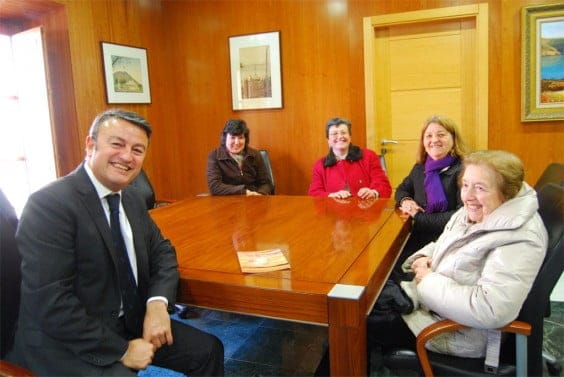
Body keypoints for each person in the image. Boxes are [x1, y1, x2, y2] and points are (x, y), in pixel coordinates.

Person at [7, 109, 224, 376]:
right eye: (117, 144)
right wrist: (120, 350)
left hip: (127, 319)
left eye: (137, 150)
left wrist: (157, 304)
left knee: (208, 350)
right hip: (68, 340)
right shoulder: (50, 205)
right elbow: (50, 302)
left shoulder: (130, 197)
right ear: (90, 145)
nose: (127, 156)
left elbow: (162, 251)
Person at [368, 150, 548, 362]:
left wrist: (427, 280)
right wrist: (424, 256)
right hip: (437, 307)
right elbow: (446, 240)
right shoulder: (483, 209)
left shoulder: (519, 238)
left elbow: (490, 309)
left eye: (480, 188)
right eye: (465, 185)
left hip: (457, 331)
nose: (467, 196)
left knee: (356, 322)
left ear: (507, 192)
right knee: (367, 301)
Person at [394, 115, 467, 267]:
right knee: (389, 266)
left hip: (448, 240)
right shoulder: (420, 168)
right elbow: (402, 190)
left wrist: (419, 217)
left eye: (441, 134)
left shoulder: (464, 170)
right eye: (429, 136)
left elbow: (461, 216)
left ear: (453, 139)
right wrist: (406, 200)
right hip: (418, 235)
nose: (434, 140)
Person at [308, 117, 392, 199]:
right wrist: (331, 195)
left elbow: (384, 186)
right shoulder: (320, 165)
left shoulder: (369, 156)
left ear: (350, 136)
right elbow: (314, 193)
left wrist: (373, 192)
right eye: (334, 134)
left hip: (365, 210)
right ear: (328, 139)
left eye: (343, 132)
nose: (340, 136)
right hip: (334, 211)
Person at [207, 119, 273, 196]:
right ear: (225, 138)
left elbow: (266, 183)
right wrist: (244, 192)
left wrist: (260, 194)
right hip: (226, 202)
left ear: (245, 139)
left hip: (253, 200)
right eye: (232, 137)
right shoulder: (214, 156)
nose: (237, 142)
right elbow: (215, 186)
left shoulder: (255, 155)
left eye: (241, 137)